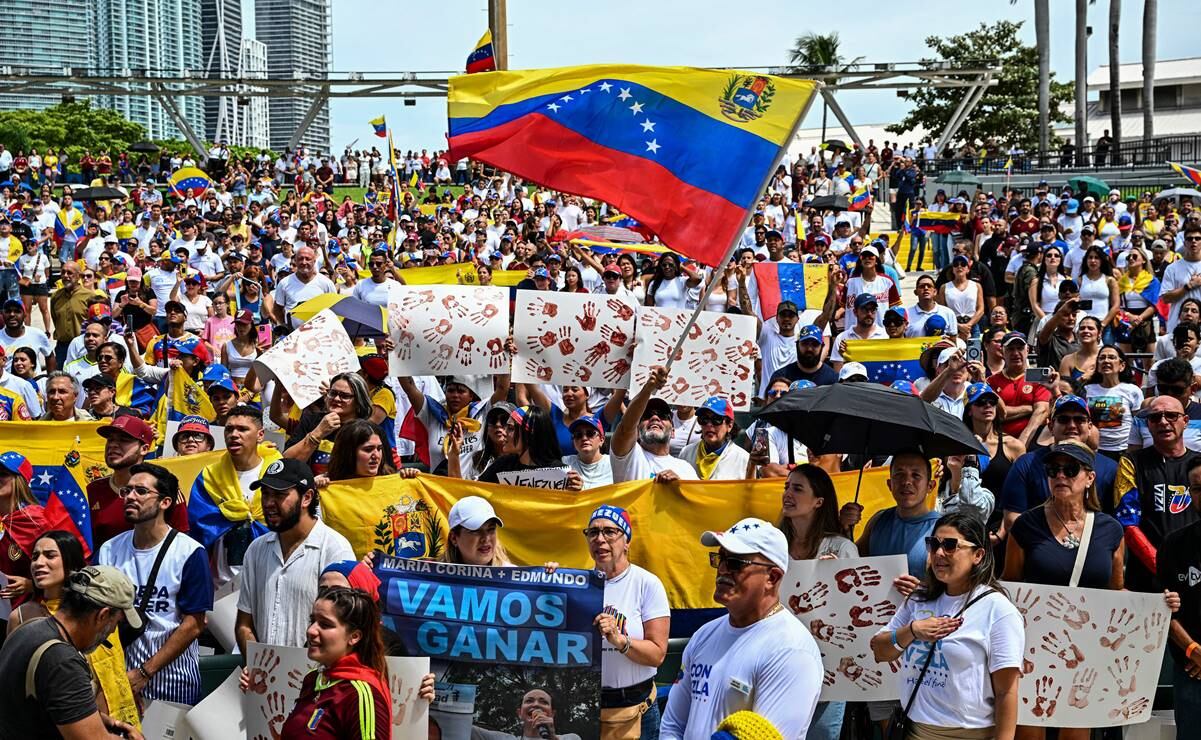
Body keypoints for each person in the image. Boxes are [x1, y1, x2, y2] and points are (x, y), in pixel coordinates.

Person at [1007, 441, 1180, 740]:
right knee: (1029, 732)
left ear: (1089, 477)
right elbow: (1010, 585)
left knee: (1076, 732)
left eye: (1070, 469)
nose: (1060, 476)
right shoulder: (1025, 526)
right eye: (1053, 470)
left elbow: (1116, 591)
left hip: (1087, 648)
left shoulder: (1110, 530)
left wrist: (1158, 604)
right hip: (1034, 645)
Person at [661, 517, 822, 739]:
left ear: (772, 577)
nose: (722, 570)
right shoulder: (704, 635)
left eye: (736, 563)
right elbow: (672, 724)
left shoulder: (791, 650)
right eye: (721, 559)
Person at [870, 512, 1022, 740]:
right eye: (933, 544)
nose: (939, 553)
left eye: (950, 545)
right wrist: (912, 631)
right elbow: (879, 650)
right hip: (914, 731)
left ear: (978, 555)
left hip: (970, 735)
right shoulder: (918, 599)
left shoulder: (998, 610)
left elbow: (1006, 692)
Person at [96, 462, 212, 706]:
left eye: (141, 491)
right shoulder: (109, 550)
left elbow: (194, 624)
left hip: (173, 680)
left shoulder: (189, 552)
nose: (130, 497)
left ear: (165, 502)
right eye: (127, 490)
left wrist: (145, 672)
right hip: (118, 677)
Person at [6, 531, 140, 727]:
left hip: (110, 718)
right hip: (64, 720)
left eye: (49, 555)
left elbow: (113, 669)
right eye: (35, 557)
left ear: (71, 562)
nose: (39, 563)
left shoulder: (94, 608)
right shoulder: (21, 616)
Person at [235, 458, 355, 654]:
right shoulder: (256, 550)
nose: (269, 503)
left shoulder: (335, 549)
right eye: (265, 494)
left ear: (306, 498)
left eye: (279, 495)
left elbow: (343, 627)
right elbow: (244, 624)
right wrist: (256, 663)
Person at [779, 464, 857, 740]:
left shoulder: (842, 548)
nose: (788, 494)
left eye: (797, 488)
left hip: (827, 674)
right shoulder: (773, 546)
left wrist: (835, 581)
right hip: (779, 665)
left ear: (819, 501)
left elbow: (855, 612)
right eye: (787, 487)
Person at [585, 505, 669, 740]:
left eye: (610, 532)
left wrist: (620, 640)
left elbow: (657, 655)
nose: (600, 539)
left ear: (627, 541)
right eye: (593, 532)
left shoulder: (646, 584)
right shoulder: (580, 584)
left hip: (635, 708)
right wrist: (550, 580)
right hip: (586, 707)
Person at [273, 587, 393, 738]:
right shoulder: (313, 679)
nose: (311, 630)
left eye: (325, 624)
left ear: (354, 637)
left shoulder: (360, 695)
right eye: (312, 621)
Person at [188, 405, 282, 587]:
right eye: (229, 429)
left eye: (243, 429)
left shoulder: (278, 475)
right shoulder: (209, 477)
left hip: (270, 579)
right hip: (221, 585)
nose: (234, 435)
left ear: (260, 435)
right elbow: (198, 529)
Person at [1116, 396, 1201, 592]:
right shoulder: (1131, 463)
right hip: (1147, 575)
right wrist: (1164, 567)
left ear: (1185, 421)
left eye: (1171, 415)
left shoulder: (1198, 465)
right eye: (1155, 417)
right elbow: (1128, 524)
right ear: (1148, 424)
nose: (1163, 422)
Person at [89, 414, 189, 550]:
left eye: (123, 440)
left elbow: (181, 544)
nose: (113, 445)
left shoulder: (165, 491)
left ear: (144, 449)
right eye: (110, 440)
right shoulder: (92, 490)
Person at [1156, 456, 1201, 728]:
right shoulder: (1174, 545)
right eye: (1197, 488)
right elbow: (1164, 611)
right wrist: (1194, 651)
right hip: (1192, 671)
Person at [610, 367, 698, 483]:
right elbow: (626, 428)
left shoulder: (686, 468)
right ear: (637, 430)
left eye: (662, 415)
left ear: (673, 431)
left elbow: (697, 494)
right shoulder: (630, 457)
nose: (655, 418)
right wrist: (648, 388)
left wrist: (680, 486)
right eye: (647, 415)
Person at [283, 372, 382, 475]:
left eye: (345, 396)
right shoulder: (311, 421)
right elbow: (286, 464)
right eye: (333, 393)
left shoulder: (370, 431)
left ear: (359, 400)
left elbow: (383, 472)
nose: (336, 399)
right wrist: (318, 432)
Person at [987, 332, 1051, 447]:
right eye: (1010, 349)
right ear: (1002, 352)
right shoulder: (992, 381)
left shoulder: (1039, 378)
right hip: (1000, 442)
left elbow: (1042, 411)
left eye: (1020, 348)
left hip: (1033, 442)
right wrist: (1029, 408)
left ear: (1028, 350)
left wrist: (1023, 440)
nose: (1015, 353)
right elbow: (997, 414)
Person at [1082, 345, 1143, 460]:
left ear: (1122, 365)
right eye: (1102, 358)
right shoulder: (1087, 390)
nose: (1106, 361)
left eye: (1111, 357)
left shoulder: (1133, 390)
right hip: (1096, 451)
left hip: (1125, 451)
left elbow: (1139, 423)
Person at [678, 397, 750, 481]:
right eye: (704, 419)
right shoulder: (686, 453)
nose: (709, 424)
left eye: (716, 419)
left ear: (730, 425)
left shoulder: (743, 459)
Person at [472, 689, 583, 740]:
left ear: (552, 714)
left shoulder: (570, 738)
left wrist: (552, 739)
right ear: (520, 713)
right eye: (529, 701)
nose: (536, 704)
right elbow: (463, 726)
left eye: (544, 702)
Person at [445, 496, 513, 566]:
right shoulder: (438, 571)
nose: (486, 538)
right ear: (454, 538)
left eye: (491, 529)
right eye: (475, 530)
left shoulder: (512, 572)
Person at [767, 324, 838, 387]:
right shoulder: (781, 377)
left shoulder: (833, 379)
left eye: (815, 344)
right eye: (805, 343)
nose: (809, 349)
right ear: (797, 345)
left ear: (822, 347)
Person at [563, 414, 613, 489]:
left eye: (590, 433)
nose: (584, 438)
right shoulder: (564, 463)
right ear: (573, 442)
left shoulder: (613, 463)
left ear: (601, 440)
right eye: (578, 435)